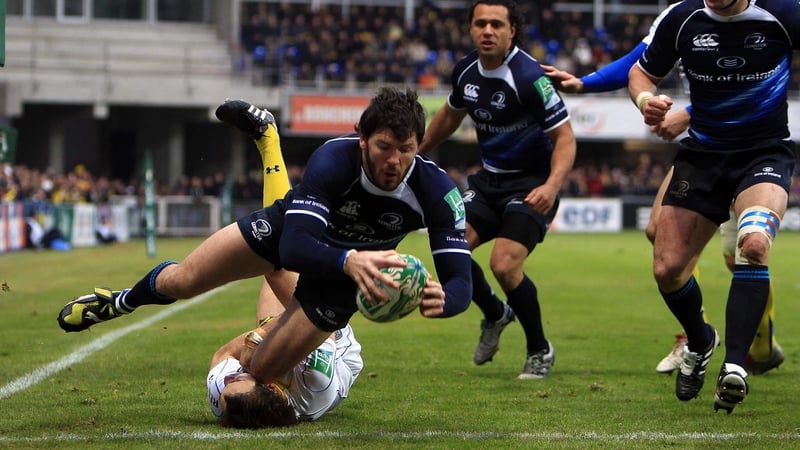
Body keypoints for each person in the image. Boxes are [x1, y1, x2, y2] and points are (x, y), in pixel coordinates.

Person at [57, 87, 473, 393]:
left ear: (419, 146)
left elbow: (460, 283)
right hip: (294, 235)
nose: (394, 161)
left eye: (406, 149)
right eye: (384, 146)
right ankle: (120, 302)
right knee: (184, 280)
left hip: (341, 283)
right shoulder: (334, 158)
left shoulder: (437, 192)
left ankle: (286, 351)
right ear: (362, 137)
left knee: (262, 372)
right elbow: (293, 249)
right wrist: (349, 258)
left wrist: (443, 300)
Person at [541, 2, 784, 378]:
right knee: (660, 234)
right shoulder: (680, 15)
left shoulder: (773, 15)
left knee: (743, 252)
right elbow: (640, 63)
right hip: (706, 148)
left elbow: (741, 83)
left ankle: (760, 344)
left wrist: (688, 113)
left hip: (752, 146)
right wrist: (586, 83)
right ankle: (695, 335)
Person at [628, 0, 800, 413]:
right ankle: (701, 340)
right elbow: (640, 72)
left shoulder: (784, 12)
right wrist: (645, 100)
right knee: (667, 269)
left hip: (764, 154)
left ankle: (735, 367)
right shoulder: (682, 18)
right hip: (703, 158)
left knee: (753, 245)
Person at [419, 0, 576, 379]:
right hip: (489, 182)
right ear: (471, 29)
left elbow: (566, 138)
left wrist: (552, 186)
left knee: (504, 265)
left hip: (532, 184)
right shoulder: (465, 71)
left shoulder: (529, 76)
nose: (487, 31)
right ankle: (494, 313)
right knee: (451, 249)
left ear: (512, 31)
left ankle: (539, 349)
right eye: (480, 24)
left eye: (496, 24)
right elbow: (449, 115)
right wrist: (416, 152)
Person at [207, 286, 363, 428]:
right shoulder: (313, 382)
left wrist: (263, 332)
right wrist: (256, 337)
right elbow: (322, 320)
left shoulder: (226, 397)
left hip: (282, 370)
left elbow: (224, 354)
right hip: (337, 346)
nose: (229, 379)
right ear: (271, 388)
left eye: (226, 385)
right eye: (238, 380)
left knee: (272, 269)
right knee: (311, 301)